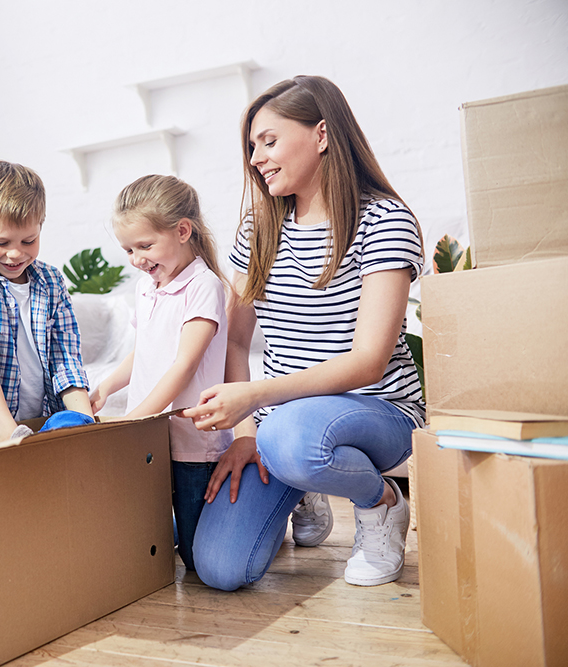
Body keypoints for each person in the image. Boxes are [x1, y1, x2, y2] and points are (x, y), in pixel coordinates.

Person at [182, 75, 425, 589]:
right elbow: (238, 341)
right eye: (252, 147)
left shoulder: (383, 220)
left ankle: (380, 503)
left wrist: (254, 401)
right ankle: (304, 480)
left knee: (292, 437)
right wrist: (246, 434)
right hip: (280, 423)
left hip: (376, 408)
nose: (256, 158)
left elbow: (368, 362)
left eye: (268, 141)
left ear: (321, 135)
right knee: (220, 569)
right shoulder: (259, 229)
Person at [90, 175, 232, 571]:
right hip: (150, 433)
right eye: (128, 249)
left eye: (145, 246)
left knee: (195, 559)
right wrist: (106, 387)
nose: (136, 259)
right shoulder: (145, 285)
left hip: (192, 441)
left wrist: (137, 418)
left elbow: (184, 364)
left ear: (182, 231)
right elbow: (145, 350)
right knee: (145, 537)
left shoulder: (204, 286)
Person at [0, 161, 93, 443]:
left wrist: (88, 424)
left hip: (42, 427)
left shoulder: (50, 281)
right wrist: (12, 437)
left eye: (28, 240)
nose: (15, 254)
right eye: (1, 242)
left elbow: (66, 359)